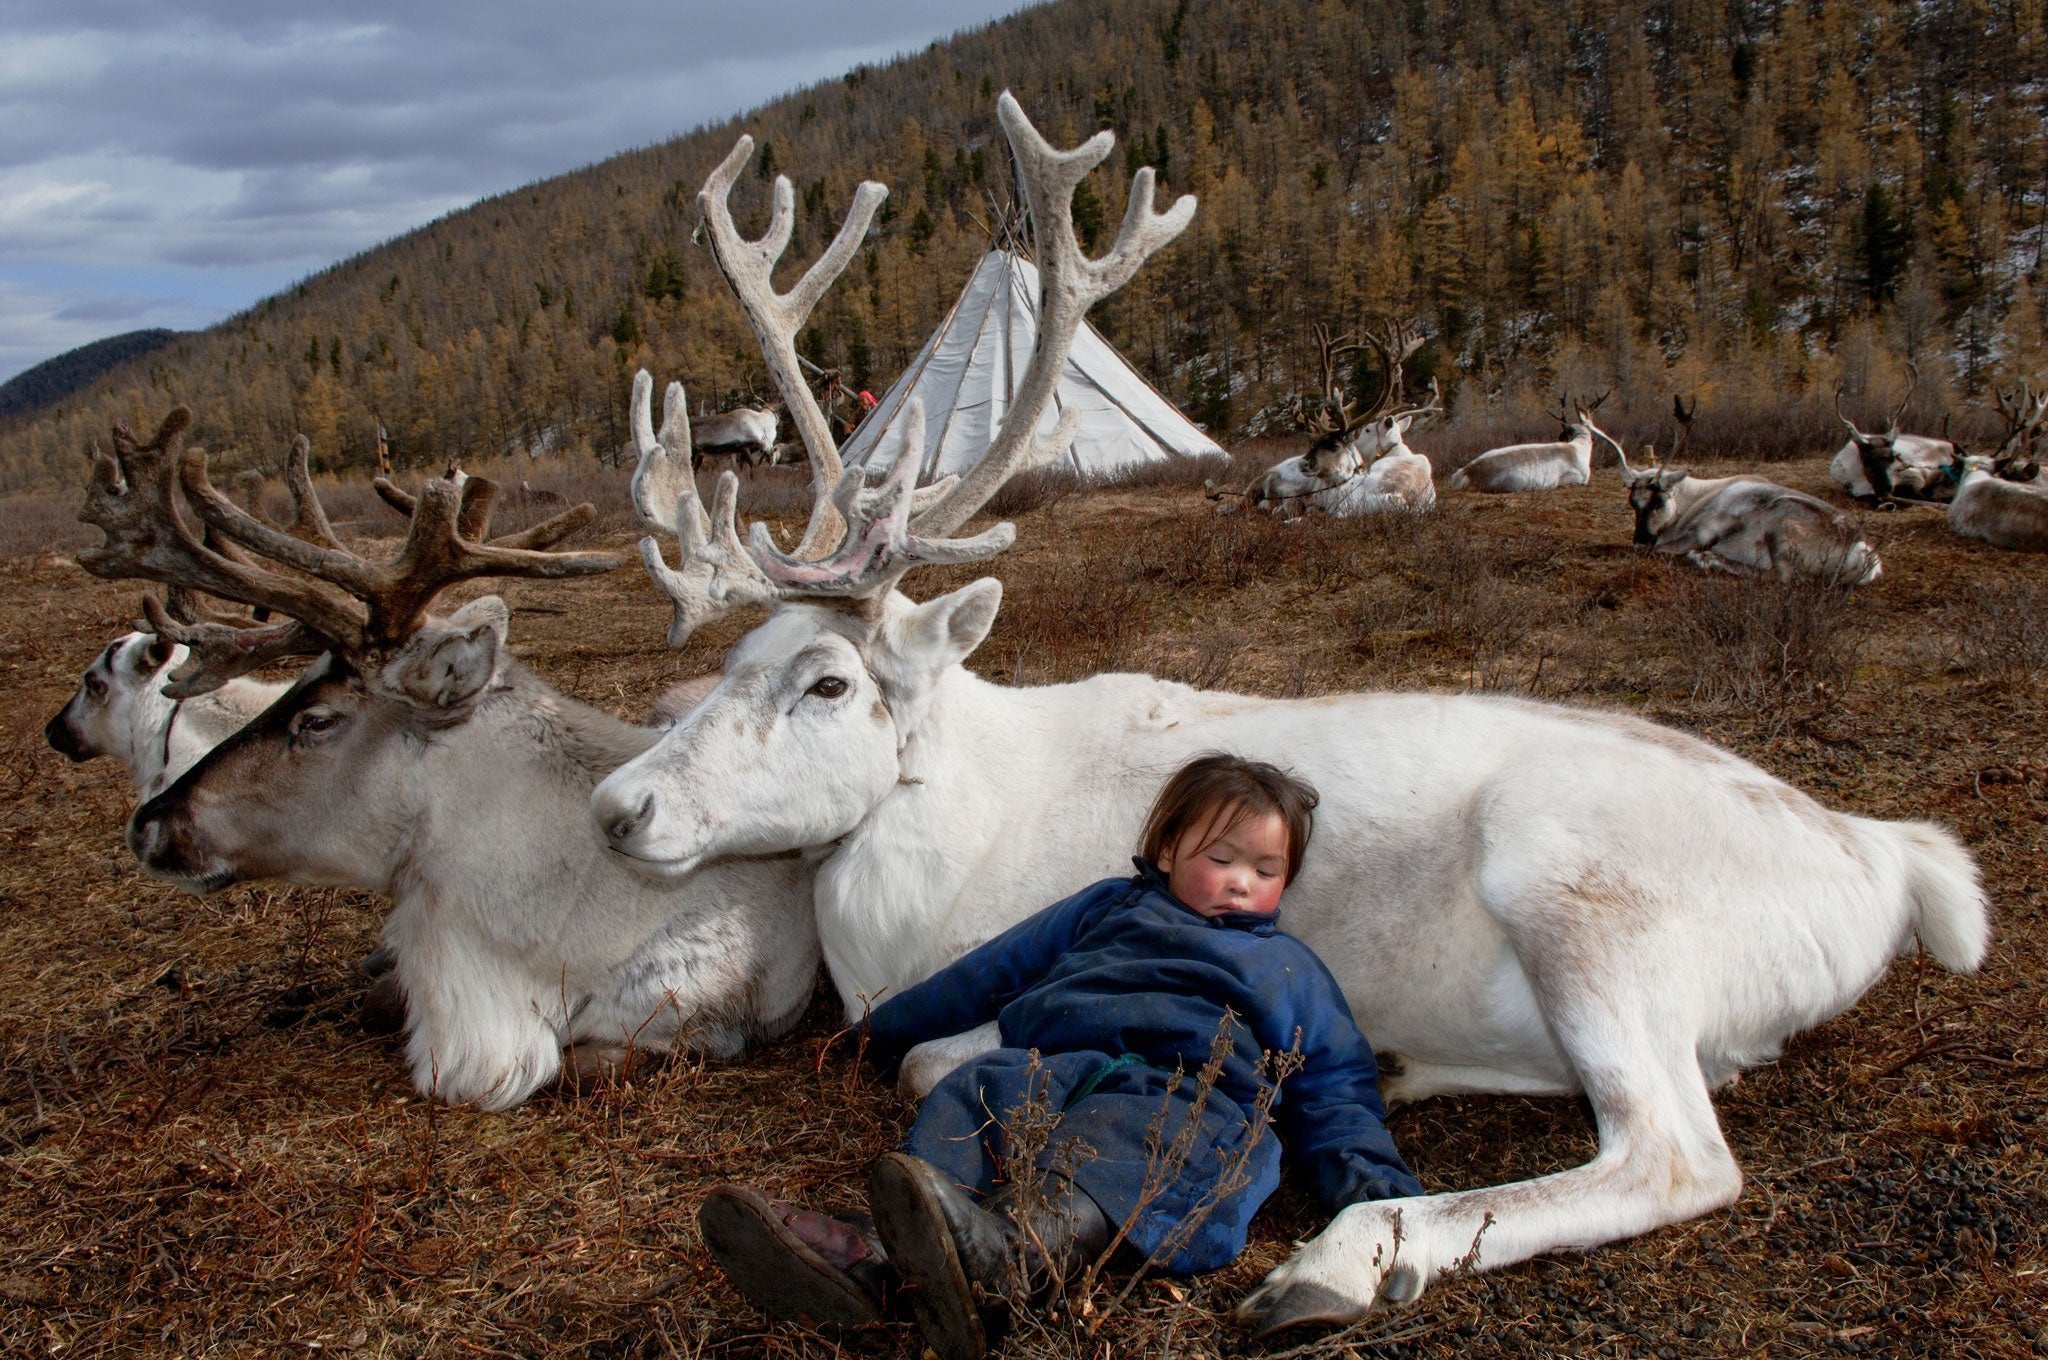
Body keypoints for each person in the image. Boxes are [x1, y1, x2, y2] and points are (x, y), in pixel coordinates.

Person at [698, 753, 1421, 1360]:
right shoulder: (1106, 908)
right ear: (1168, 851)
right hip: (1052, 1068)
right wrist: (876, 1034)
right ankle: (881, 1255)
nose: (1240, 881)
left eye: (1265, 871)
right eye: (1220, 858)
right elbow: (991, 972)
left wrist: (1376, 1194)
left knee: (1124, 1143)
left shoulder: (1288, 968)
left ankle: (1010, 1259)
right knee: (976, 1089)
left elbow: (1335, 1085)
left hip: (1183, 1100)